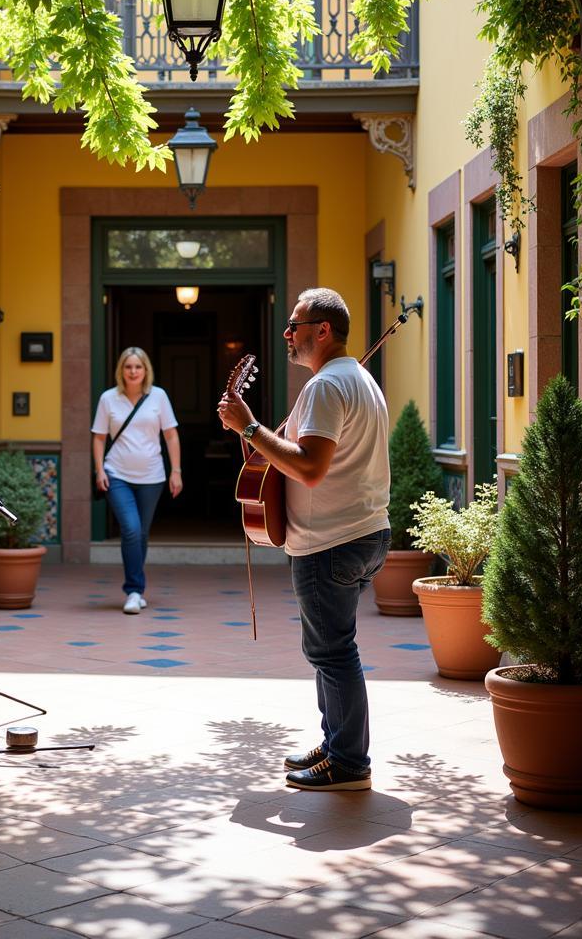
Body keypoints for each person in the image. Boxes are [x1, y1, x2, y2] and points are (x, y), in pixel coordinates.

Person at [218, 288, 390, 792]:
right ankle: (336, 743)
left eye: (296, 325)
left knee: (333, 652)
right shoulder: (359, 379)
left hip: (330, 540)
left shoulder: (325, 387)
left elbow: (310, 468)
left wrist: (249, 427)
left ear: (324, 330)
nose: (288, 334)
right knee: (334, 648)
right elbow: (296, 453)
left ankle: (349, 762)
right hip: (365, 531)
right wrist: (252, 433)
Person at [92, 346, 182, 614]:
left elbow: (171, 435)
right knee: (130, 529)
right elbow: (98, 437)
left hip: (152, 477)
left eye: (138, 367)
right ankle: (133, 590)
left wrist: (175, 471)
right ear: (121, 370)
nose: (133, 372)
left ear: (146, 370)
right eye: (128, 367)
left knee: (140, 534)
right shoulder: (108, 399)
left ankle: (136, 587)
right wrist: (99, 471)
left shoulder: (159, 397)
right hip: (117, 474)